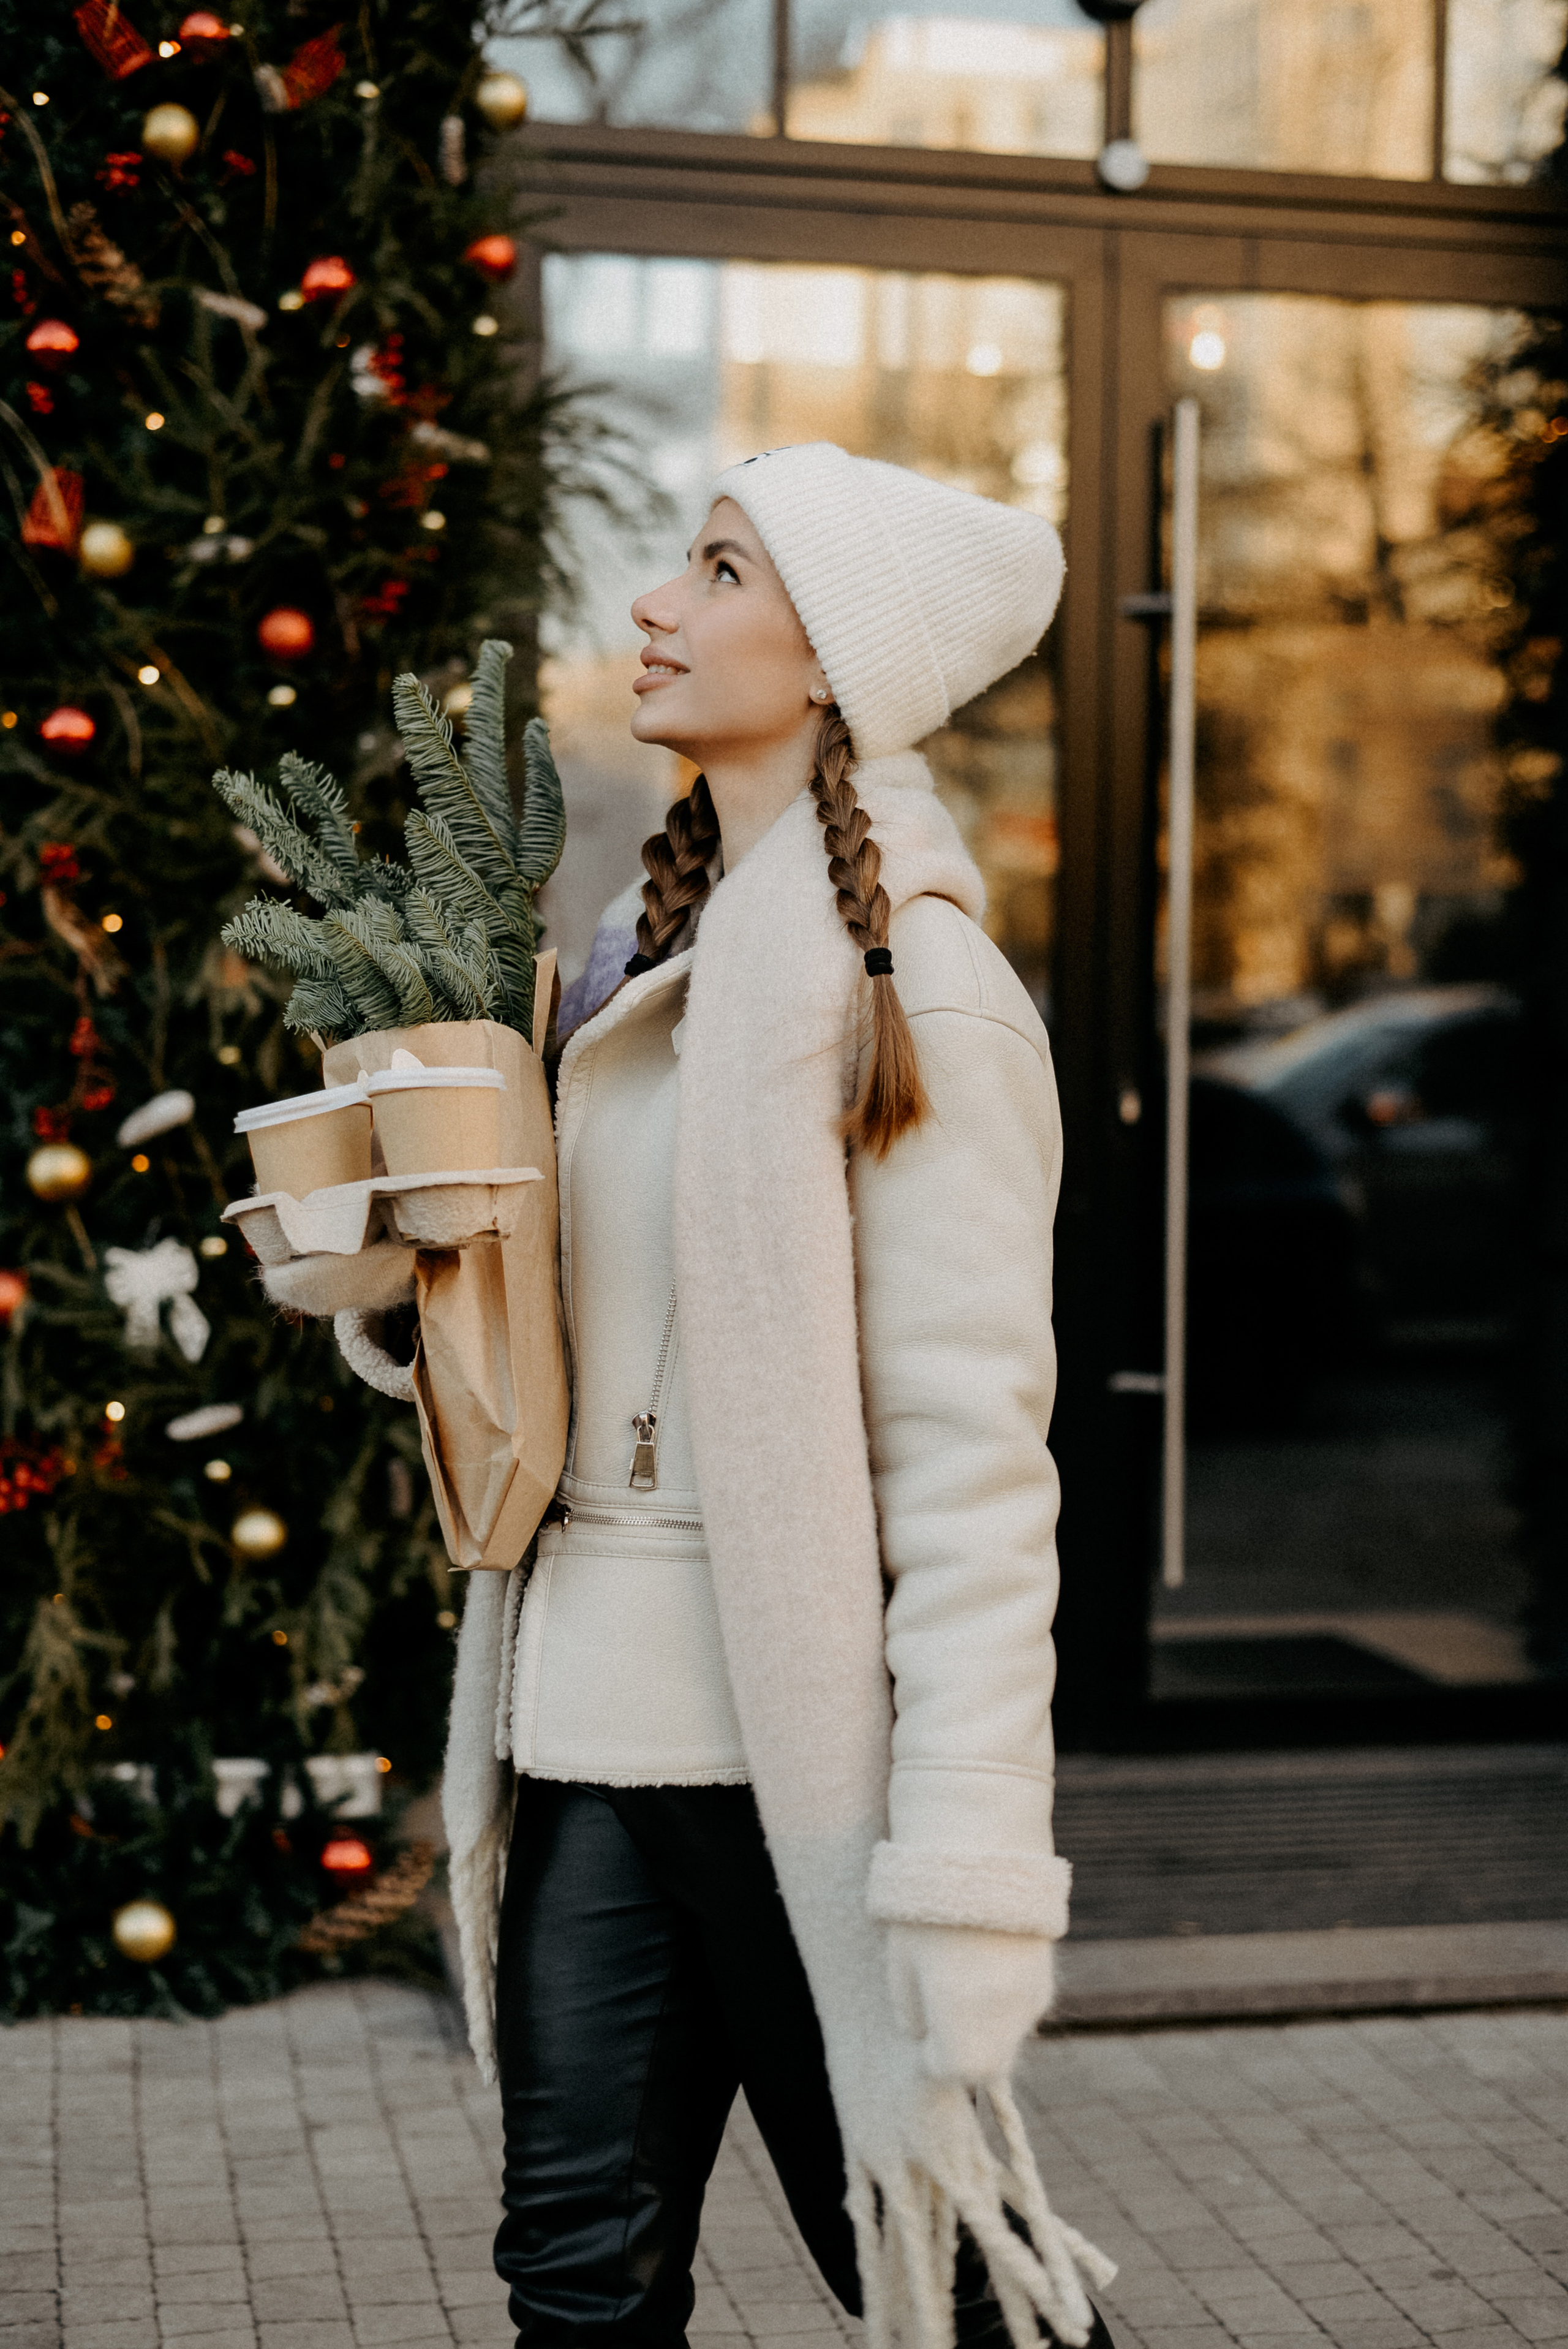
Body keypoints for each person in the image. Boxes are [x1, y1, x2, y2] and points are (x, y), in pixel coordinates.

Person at [442, 441, 1114, 2349]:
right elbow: (586, 1341)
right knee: (572, 2277)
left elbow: (977, 1469)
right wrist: (411, 1285)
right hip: (588, 1725)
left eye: (719, 570)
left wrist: (969, 1865)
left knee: (940, 2272)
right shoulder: (638, 967)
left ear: (832, 659)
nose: (658, 603)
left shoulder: (922, 993)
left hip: (791, 1766)